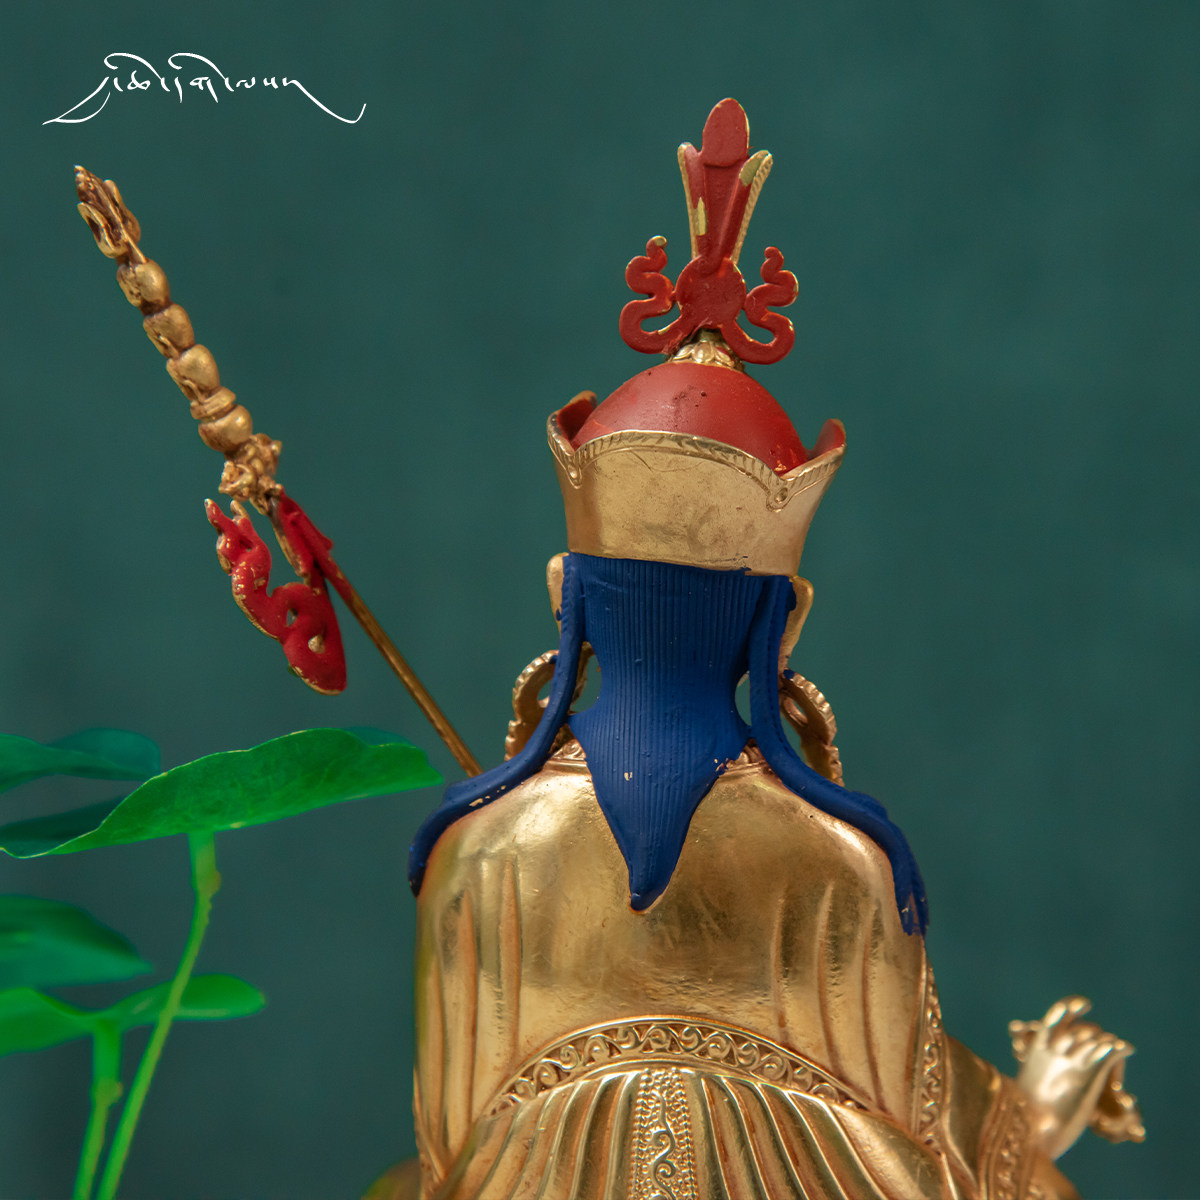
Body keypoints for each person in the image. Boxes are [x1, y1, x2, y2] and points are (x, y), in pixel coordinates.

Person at [398, 100, 1142, 1200]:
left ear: (564, 594)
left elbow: (444, 1158)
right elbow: (920, 1138)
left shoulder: (474, 858)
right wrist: (1030, 1117)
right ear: (786, 618)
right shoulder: (839, 868)